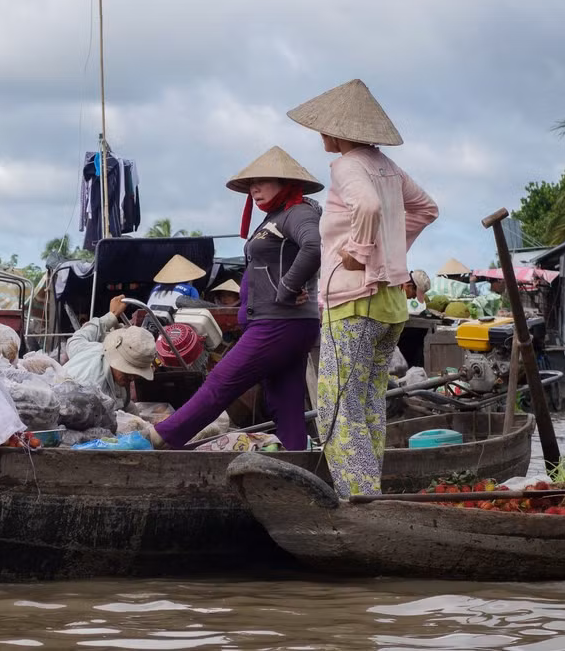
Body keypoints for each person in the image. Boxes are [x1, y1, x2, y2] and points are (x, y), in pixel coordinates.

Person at [287, 79, 439, 496]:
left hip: (354, 302)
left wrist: (360, 250)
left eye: (324, 128)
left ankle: (357, 495)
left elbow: (368, 207)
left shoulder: (348, 165)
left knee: (337, 405)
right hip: (389, 305)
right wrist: (390, 252)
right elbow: (427, 208)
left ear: (340, 132)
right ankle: (368, 488)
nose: (320, 135)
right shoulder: (387, 166)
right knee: (369, 402)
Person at [148, 146, 323, 451]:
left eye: (263, 181)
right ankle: (297, 460)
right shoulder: (276, 216)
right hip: (281, 322)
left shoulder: (299, 212)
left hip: (280, 322)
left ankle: (161, 436)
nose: (254, 189)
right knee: (285, 399)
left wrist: (288, 288)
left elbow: (313, 247)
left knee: (222, 381)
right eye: (251, 184)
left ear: (285, 183)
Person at [62, 295, 157, 411]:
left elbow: (76, 340)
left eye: (137, 373)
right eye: (128, 371)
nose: (132, 377)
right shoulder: (93, 390)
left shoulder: (94, 349)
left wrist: (111, 316)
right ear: (116, 360)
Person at [145, 255, 205, 323]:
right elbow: (196, 312)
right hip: (174, 325)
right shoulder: (191, 289)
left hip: (148, 321)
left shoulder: (155, 288)